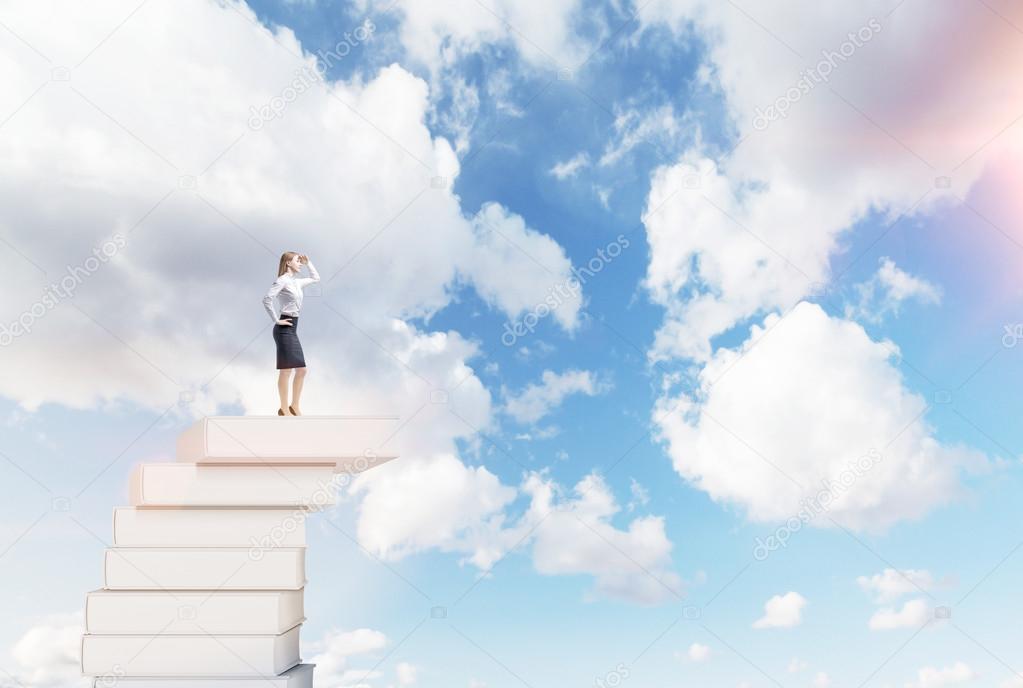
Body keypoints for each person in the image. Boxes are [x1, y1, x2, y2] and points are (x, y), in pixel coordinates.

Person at [263, 252, 319, 416]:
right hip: (284, 328)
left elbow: (316, 278)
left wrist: (309, 263)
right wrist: (276, 320)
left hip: (293, 328)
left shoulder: (296, 282)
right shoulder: (282, 281)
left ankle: (294, 406)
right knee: (286, 371)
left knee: (301, 370)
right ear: (287, 263)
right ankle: (284, 408)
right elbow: (267, 299)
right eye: (297, 261)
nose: (300, 264)